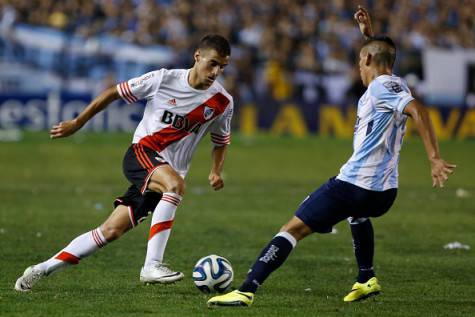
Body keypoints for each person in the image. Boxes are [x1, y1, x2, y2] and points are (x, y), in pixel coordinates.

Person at [207, 7, 456, 307]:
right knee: (357, 213)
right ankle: (366, 278)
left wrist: (434, 157)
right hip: (384, 192)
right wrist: (368, 33)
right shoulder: (395, 81)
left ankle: (246, 290)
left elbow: (419, 109)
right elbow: (381, 54)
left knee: (292, 230)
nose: (359, 71)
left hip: (355, 183)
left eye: (360, 62)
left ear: (366, 60)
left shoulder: (381, 86)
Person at [15, 34, 234, 291]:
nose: (216, 71)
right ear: (197, 57)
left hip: (163, 176)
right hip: (142, 153)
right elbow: (113, 93)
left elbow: (221, 141)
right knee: (175, 186)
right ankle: (152, 265)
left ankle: (40, 269)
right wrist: (78, 123)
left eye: (222, 67)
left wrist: (215, 171)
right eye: (213, 63)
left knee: (109, 231)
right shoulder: (163, 79)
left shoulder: (223, 102)